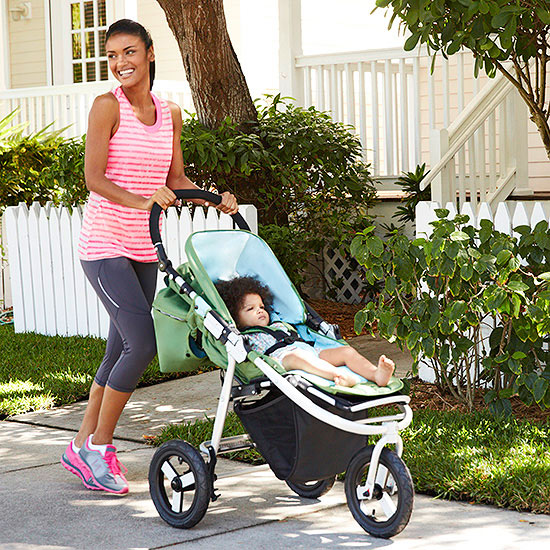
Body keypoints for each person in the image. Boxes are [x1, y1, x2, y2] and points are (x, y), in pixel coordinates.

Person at [60, 19, 238, 495]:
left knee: (119, 348)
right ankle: (100, 448)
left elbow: (175, 178)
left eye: (129, 52)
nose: (120, 63)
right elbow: (93, 178)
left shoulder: (169, 112)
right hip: (104, 246)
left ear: (151, 53)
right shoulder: (105, 107)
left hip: (143, 246)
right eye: (112, 55)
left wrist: (212, 196)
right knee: (142, 344)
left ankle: (78, 446)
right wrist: (142, 202)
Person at [215, 276, 395, 388]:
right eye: (250, 309)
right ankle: (338, 376)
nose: (260, 310)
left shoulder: (278, 324)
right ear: (235, 317)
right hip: (280, 360)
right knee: (298, 357)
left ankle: (375, 374)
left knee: (345, 352)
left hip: (309, 351)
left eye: (262, 306)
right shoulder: (244, 336)